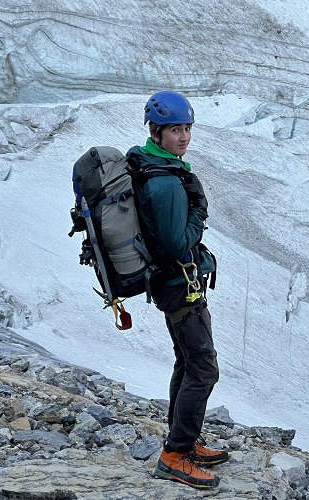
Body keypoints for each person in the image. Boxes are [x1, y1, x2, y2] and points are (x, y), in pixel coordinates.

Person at [126, 91, 228, 489]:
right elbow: (175, 243)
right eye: (175, 129)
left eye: (186, 128)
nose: (184, 137)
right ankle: (174, 455)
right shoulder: (166, 183)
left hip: (173, 282)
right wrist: (199, 214)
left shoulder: (157, 164)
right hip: (177, 283)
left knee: (187, 362)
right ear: (158, 131)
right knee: (204, 367)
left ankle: (183, 440)